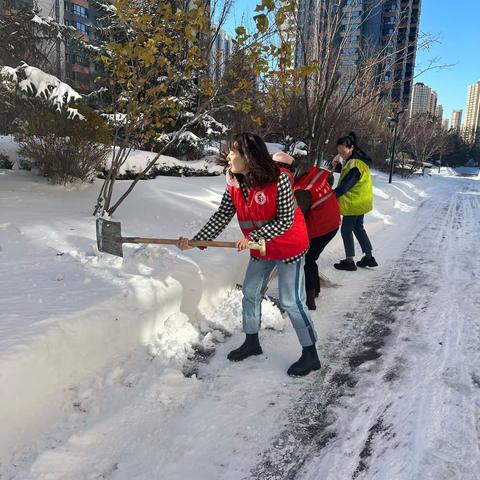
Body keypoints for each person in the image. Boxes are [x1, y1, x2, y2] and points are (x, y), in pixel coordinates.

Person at [177, 133, 320, 377]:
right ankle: (252, 341)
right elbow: (223, 214)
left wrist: (254, 237)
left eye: (234, 152)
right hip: (260, 247)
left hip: (289, 245)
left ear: (249, 157)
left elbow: (286, 220)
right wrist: (197, 240)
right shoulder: (234, 182)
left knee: (291, 301)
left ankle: (310, 354)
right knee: (251, 292)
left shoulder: (279, 180)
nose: (229, 156)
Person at [272, 152, 340, 311]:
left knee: (306, 259)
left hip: (322, 226)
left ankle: (309, 300)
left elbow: (296, 217)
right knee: (312, 257)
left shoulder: (301, 190)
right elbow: (329, 176)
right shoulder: (312, 172)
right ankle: (315, 290)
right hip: (333, 223)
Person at [332, 132, 378, 271]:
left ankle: (349, 261)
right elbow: (350, 174)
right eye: (339, 152)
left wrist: (331, 195)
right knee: (358, 227)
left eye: (343, 151)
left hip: (354, 202)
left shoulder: (355, 163)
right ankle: (368, 257)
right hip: (361, 201)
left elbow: (347, 184)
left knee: (346, 230)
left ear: (351, 148)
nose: (341, 154)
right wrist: (339, 167)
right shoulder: (356, 160)